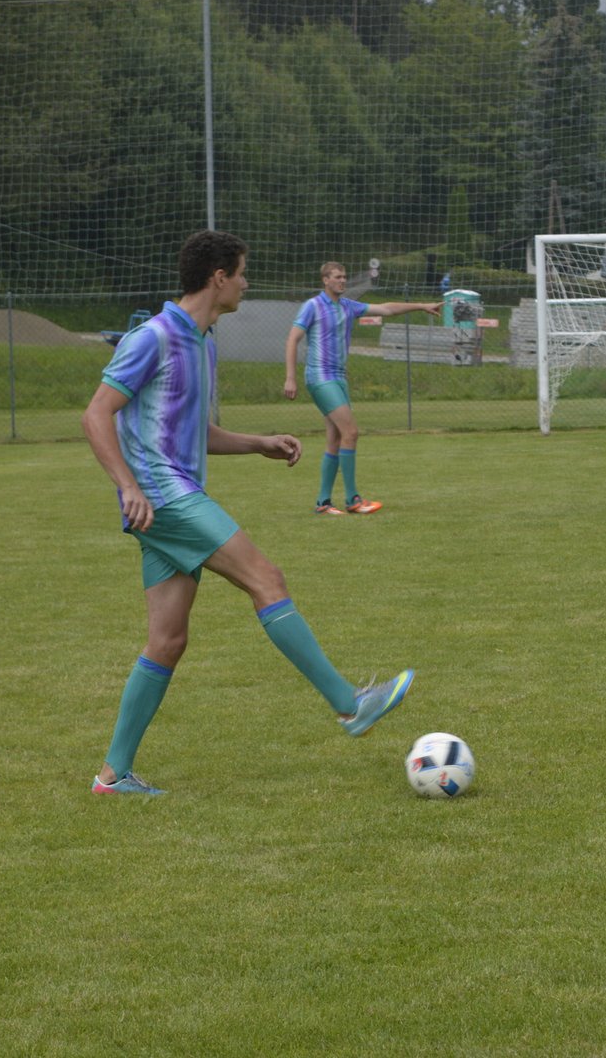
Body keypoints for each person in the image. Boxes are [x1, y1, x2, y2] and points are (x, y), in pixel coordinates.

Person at [83, 232, 414, 796]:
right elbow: (96, 415)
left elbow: (193, 430)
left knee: (167, 641)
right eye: (240, 273)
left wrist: (257, 443)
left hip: (168, 499)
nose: (246, 282)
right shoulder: (154, 337)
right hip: (166, 497)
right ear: (218, 278)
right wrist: (129, 487)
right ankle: (349, 704)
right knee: (266, 578)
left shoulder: (202, 341)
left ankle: (113, 776)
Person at [282, 262, 439, 515]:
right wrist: (290, 378)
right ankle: (353, 499)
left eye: (344, 276)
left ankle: (323, 502)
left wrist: (421, 306)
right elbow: (292, 339)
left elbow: (387, 308)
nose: (343, 280)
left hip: (339, 378)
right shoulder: (313, 306)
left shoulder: (348, 306)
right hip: (320, 377)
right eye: (337, 277)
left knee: (335, 438)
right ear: (325, 280)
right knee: (351, 432)